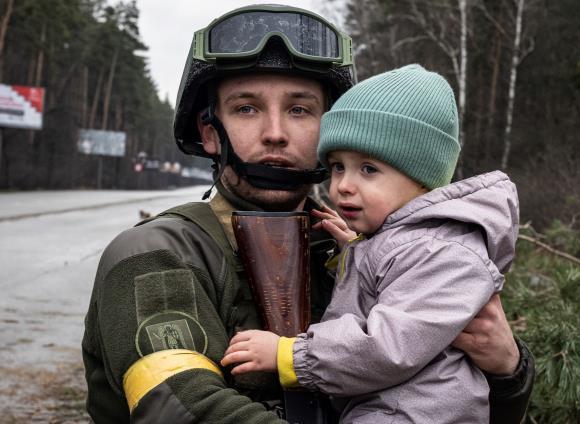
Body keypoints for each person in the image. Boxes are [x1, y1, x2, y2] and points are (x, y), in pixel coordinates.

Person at [81, 5, 534, 423]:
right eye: (246, 108)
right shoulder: (156, 254)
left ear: (330, 129)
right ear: (209, 132)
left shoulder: (383, 251)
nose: (275, 133)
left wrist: (507, 370)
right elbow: (181, 408)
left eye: (300, 110)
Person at [221, 64, 520, 423]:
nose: (343, 186)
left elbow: (388, 346)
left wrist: (290, 355)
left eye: (368, 170)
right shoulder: (406, 241)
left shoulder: (443, 251)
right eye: (337, 167)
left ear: (423, 180)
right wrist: (357, 250)